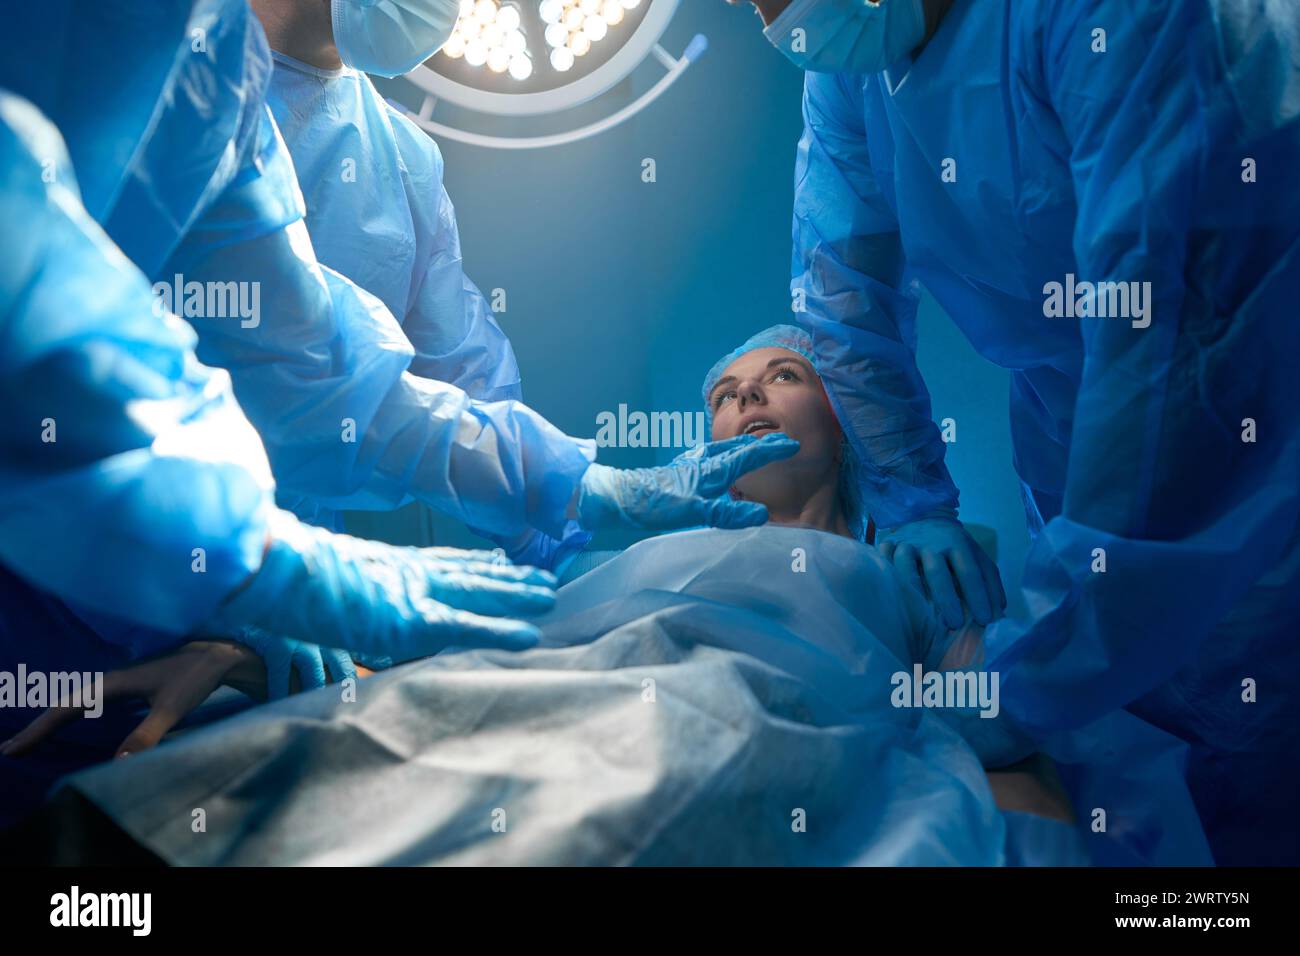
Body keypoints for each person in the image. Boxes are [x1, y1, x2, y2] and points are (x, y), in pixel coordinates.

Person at [18, 325, 1210, 867]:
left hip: (730, 725)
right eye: (724, 388)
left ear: (849, 418)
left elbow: (1007, 729)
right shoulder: (586, 561)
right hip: (499, 696)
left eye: (784, 376)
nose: (745, 401)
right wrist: (249, 653)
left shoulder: (922, 566)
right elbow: (436, 647)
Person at [0, 1, 799, 691]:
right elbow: (37, 311)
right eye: (728, 387)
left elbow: (324, 378)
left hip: (235, 613)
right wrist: (250, 558)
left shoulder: (234, 87)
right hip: (61, 576)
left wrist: (574, 490)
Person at [732, 0, 1300, 863]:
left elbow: (1178, 351)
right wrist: (914, 497)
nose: (768, 14)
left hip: (1243, 435)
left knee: (1252, 742)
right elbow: (843, 305)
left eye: (781, 375)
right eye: (728, 393)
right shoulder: (849, 70)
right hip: (1073, 446)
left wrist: (1017, 686)